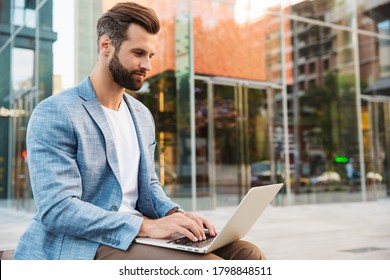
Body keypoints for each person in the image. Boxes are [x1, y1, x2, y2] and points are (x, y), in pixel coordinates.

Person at [14, 2, 266, 260]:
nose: (147, 65)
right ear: (105, 46)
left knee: (248, 254)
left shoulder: (141, 115)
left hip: (137, 234)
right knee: (207, 265)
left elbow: (149, 185)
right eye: (138, 53)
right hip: (83, 244)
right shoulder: (56, 112)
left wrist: (174, 216)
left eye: (151, 56)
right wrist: (148, 227)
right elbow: (58, 209)